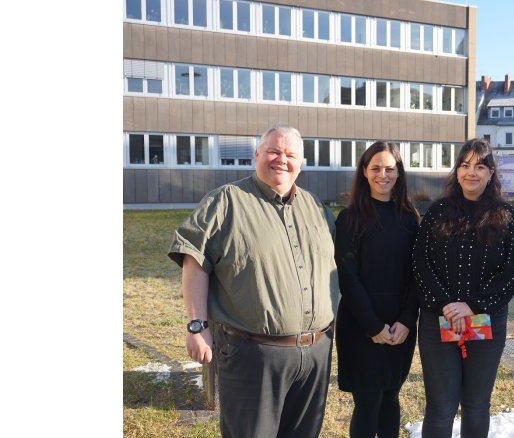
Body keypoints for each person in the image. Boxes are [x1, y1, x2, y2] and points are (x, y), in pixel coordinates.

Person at [167, 125, 338, 438]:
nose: (281, 160)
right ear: (257, 154)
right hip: (252, 354)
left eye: (290, 154)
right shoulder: (226, 202)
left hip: (315, 353)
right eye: (273, 151)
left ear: (301, 162)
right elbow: (194, 260)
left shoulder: (317, 209)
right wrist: (196, 326)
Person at [412, 138, 514, 437]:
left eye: (479, 166)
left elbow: (511, 272)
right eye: (464, 165)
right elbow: (420, 262)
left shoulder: (507, 217)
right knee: (440, 406)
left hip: (486, 322)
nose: (470, 172)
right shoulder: (437, 212)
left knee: (476, 405)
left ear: (491, 173)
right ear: (456, 171)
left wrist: (472, 306)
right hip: (438, 321)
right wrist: (448, 306)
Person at [334, 142, 420, 438]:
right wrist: (373, 326)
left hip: (400, 328)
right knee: (368, 402)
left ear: (399, 173)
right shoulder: (349, 219)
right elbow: (348, 277)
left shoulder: (410, 219)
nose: (383, 174)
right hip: (362, 326)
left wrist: (407, 322)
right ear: (364, 172)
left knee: (391, 397)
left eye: (390, 168)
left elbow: (416, 276)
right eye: (376, 168)